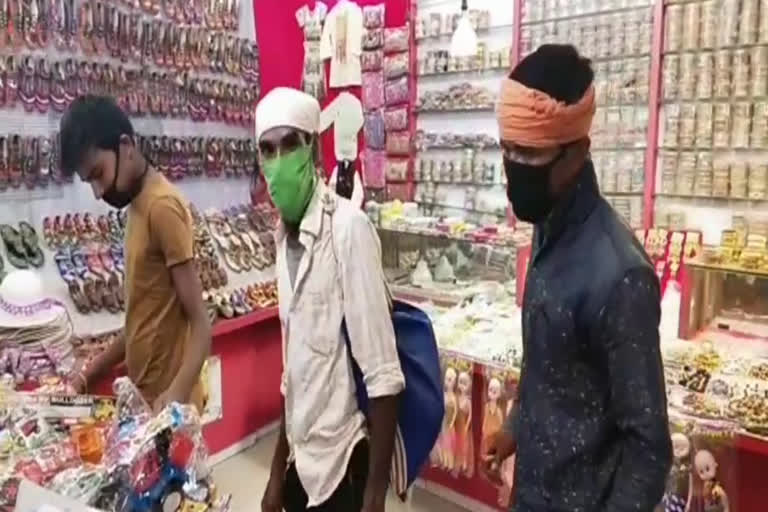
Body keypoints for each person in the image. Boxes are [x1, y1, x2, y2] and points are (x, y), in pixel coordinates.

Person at [485, 45, 672, 510]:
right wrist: (515, 427)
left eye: (529, 154)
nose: (513, 169)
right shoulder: (548, 229)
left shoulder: (619, 275)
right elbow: (553, 369)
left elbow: (649, 447)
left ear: (577, 152)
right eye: (506, 150)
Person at [255, 87, 404, 512]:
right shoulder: (282, 242)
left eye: (289, 145)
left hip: (345, 460)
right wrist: (275, 472)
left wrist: (374, 498)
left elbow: (384, 375)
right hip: (301, 462)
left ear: (313, 149)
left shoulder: (347, 231)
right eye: (268, 149)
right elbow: (295, 374)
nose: (278, 161)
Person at [60, 95, 211, 413]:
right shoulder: (138, 206)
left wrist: (175, 397)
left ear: (126, 146)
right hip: (146, 398)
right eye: (90, 182)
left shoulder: (162, 207)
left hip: (170, 408)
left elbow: (201, 323)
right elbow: (140, 322)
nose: (99, 192)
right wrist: (89, 374)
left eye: (98, 174)